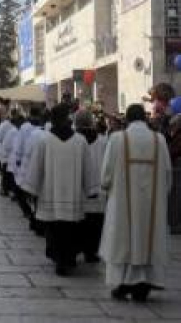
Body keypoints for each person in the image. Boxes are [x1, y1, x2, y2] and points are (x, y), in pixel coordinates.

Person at [100, 104, 172, 302]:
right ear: (145, 119)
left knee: (123, 238)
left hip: (122, 204)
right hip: (152, 207)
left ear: (128, 120)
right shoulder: (159, 141)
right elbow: (167, 176)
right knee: (148, 238)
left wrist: (107, 187)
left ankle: (123, 284)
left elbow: (105, 176)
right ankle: (145, 283)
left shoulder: (117, 139)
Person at [21, 103, 97, 276]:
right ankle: (68, 257)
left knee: (54, 229)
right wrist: (91, 189)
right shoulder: (80, 141)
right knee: (71, 229)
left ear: (53, 120)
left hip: (50, 195)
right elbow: (89, 169)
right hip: (73, 196)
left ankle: (58, 258)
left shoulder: (44, 140)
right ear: (68, 119)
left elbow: (35, 168)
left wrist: (31, 189)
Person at [74, 109, 108, 264]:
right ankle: (91, 252)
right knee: (95, 224)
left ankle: (77, 248)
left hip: (79, 190)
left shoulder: (73, 140)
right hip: (98, 189)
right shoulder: (103, 141)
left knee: (79, 224)